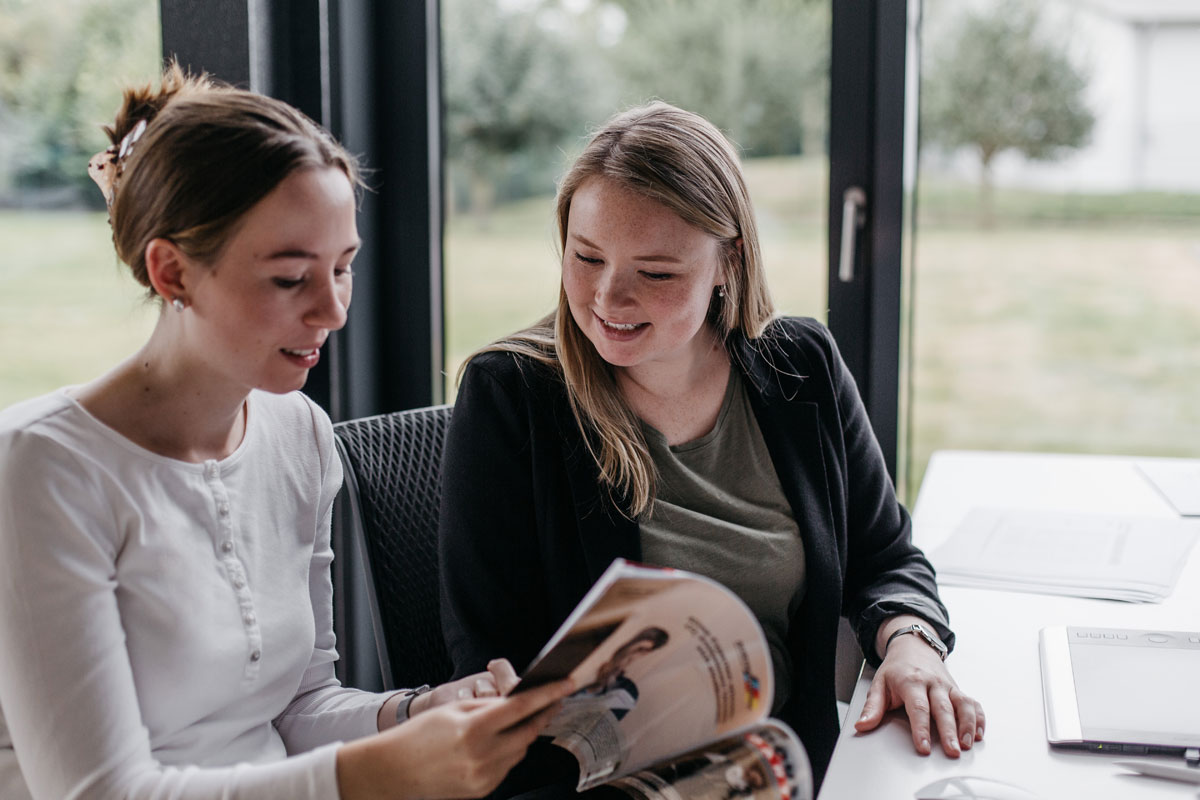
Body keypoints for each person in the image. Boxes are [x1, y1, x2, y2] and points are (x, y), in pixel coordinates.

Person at [0, 64, 571, 800]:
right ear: (171, 272)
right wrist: (375, 773)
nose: (333, 311)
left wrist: (417, 710)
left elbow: (299, 705)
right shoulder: (40, 469)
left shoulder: (298, 433)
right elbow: (100, 792)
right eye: (290, 277)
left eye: (344, 267)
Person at [438, 101, 984, 794]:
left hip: (791, 770)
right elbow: (490, 663)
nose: (609, 297)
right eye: (586, 257)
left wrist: (910, 643)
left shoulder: (801, 367)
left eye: (657, 273)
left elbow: (886, 554)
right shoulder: (512, 395)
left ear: (728, 262)